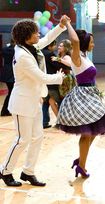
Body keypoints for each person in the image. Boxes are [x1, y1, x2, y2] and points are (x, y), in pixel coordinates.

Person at [0, 16, 68, 187]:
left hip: (34, 101)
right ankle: (5, 171)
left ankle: (28, 172)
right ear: (26, 36)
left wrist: (60, 26)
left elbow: (47, 39)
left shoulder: (30, 47)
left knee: (37, 137)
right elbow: (41, 77)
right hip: (21, 104)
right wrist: (59, 77)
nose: (38, 34)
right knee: (22, 140)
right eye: (35, 32)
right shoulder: (22, 55)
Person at [56, 20, 105, 178]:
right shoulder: (76, 57)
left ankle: (81, 161)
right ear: (85, 43)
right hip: (83, 97)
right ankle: (81, 166)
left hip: (91, 96)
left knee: (93, 132)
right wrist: (67, 24)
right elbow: (75, 41)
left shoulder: (85, 57)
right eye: (92, 41)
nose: (94, 44)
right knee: (87, 133)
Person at [0, 39, 15, 116]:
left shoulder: (4, 49)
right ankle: (5, 110)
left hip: (6, 72)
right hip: (12, 73)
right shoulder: (15, 51)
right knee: (11, 93)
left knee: (11, 92)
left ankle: (6, 110)